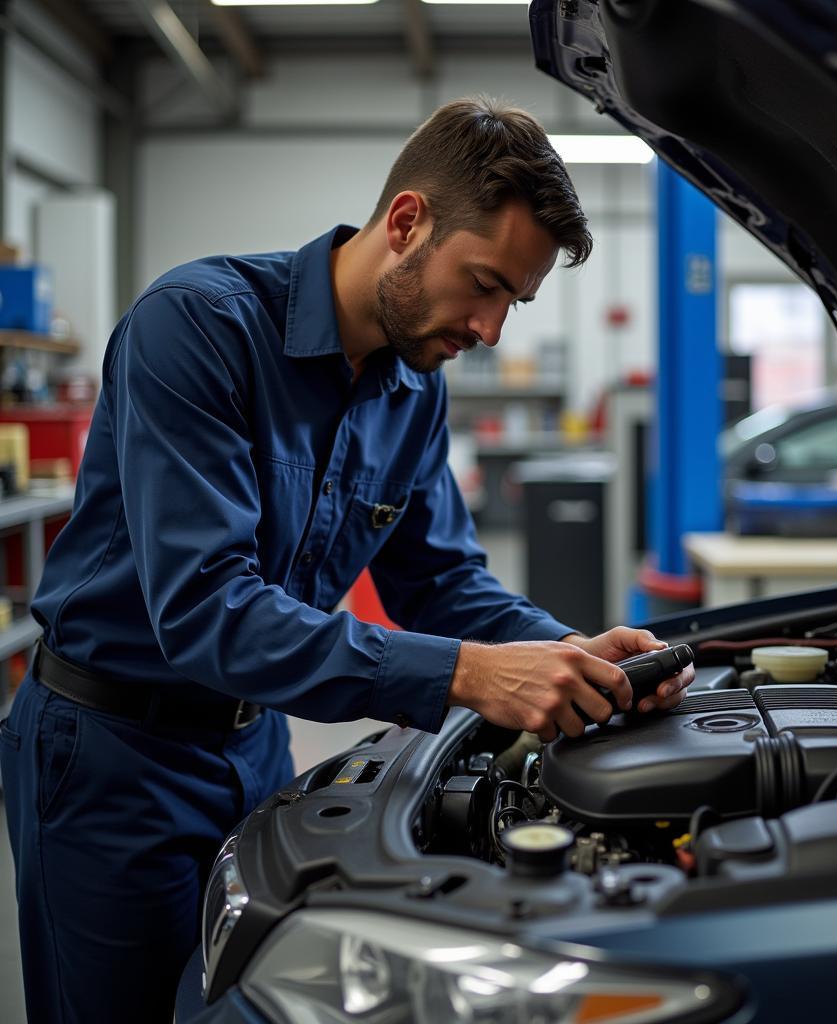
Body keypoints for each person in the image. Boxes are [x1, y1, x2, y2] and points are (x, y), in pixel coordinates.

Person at [0, 97, 692, 1023]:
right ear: (406, 222)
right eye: (483, 284)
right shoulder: (198, 330)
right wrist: (472, 674)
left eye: (512, 304)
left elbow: (441, 583)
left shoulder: (414, 388)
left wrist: (569, 657)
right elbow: (210, 611)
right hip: (112, 755)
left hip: (254, 747)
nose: (490, 330)